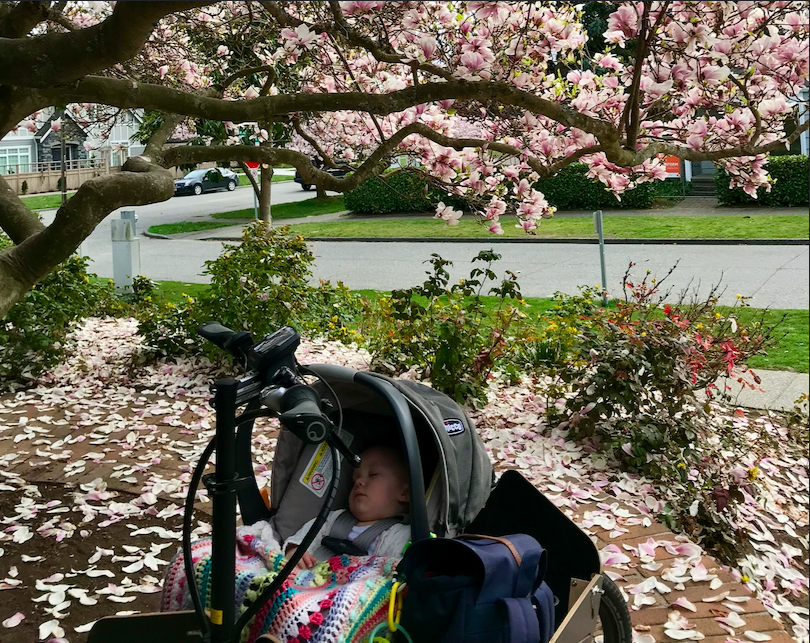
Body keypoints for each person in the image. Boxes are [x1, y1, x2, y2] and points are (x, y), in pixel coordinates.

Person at [284, 444, 411, 569]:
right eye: (355, 479)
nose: (358, 482)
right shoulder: (334, 518)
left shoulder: (401, 535)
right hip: (311, 579)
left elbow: (396, 570)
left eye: (373, 475)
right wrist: (295, 550)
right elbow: (304, 536)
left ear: (404, 493)